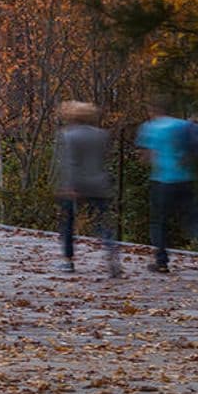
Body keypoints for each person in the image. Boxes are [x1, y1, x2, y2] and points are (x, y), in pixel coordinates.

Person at [135, 100, 198, 278]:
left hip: (163, 181)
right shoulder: (184, 125)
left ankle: (161, 263)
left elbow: (146, 158)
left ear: (152, 110)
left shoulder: (150, 128)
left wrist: (153, 159)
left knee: (159, 222)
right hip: (186, 180)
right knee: (194, 221)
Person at [51, 100, 121, 276]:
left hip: (76, 184)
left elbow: (70, 163)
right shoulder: (102, 135)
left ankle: (68, 261)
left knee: (67, 223)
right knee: (101, 222)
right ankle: (111, 252)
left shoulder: (68, 135)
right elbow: (104, 159)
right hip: (99, 183)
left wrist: (68, 185)